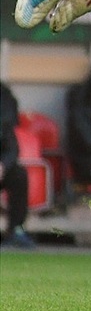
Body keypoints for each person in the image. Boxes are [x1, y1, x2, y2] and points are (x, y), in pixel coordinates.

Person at [0, 81, 35, 249]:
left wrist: (3, 165)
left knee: (19, 175)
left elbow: (12, 148)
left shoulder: (3, 122)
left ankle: (16, 229)